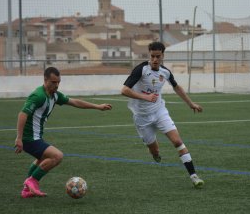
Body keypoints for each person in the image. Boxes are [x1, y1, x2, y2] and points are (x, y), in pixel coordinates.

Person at [15, 67, 112, 198]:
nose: (56, 85)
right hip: (29, 138)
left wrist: (97, 107)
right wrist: (19, 138)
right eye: (53, 82)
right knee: (57, 156)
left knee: (41, 159)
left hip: (36, 137)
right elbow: (22, 114)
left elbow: (75, 102)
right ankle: (32, 180)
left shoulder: (54, 95)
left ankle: (26, 190)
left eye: (58, 82)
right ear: (45, 80)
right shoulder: (38, 95)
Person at [121, 41, 204, 188]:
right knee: (155, 150)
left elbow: (176, 87)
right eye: (152, 56)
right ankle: (154, 153)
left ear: (163, 56)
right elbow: (124, 90)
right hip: (142, 117)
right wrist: (145, 97)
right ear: (149, 55)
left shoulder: (165, 72)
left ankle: (194, 176)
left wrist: (191, 104)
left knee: (177, 142)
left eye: (158, 56)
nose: (154, 60)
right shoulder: (141, 69)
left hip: (160, 112)